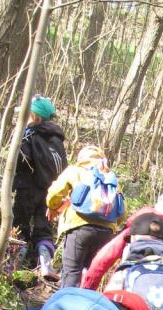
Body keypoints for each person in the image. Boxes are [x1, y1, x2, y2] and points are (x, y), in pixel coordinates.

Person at [46, 145, 124, 288]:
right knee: (91, 274)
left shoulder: (75, 171)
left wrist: (52, 207)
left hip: (78, 227)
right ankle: (86, 306)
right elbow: (121, 212)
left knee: (72, 271)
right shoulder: (111, 177)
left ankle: (64, 307)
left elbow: (55, 193)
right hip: (106, 232)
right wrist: (110, 225)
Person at [81, 190, 163, 292]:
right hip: (158, 300)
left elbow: (103, 259)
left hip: (123, 292)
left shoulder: (135, 231)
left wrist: (87, 288)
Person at [12, 95, 67, 279]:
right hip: (50, 192)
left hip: (27, 189)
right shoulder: (57, 140)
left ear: (35, 117)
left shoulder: (29, 134)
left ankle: (15, 263)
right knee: (44, 228)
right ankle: (45, 265)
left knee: (20, 225)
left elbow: (21, 161)